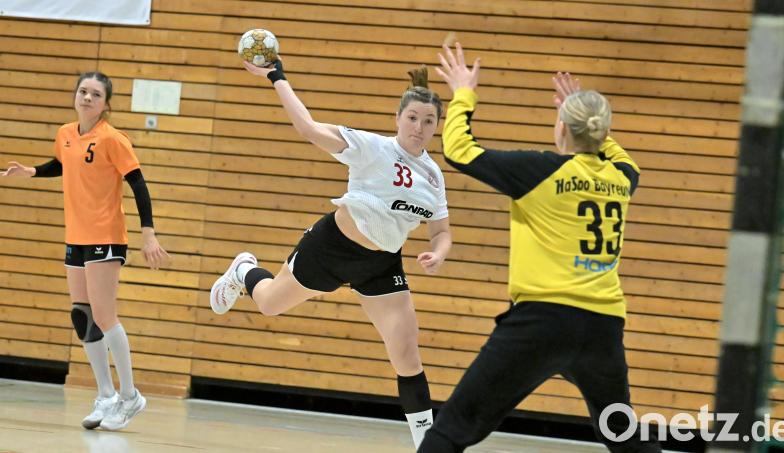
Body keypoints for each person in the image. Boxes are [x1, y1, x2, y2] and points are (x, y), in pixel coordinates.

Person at [417, 44, 663, 452]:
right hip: (602, 326)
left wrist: (464, 92)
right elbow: (618, 155)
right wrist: (585, 116)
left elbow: (459, 150)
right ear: (600, 133)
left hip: (542, 322)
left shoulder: (542, 172)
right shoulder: (622, 178)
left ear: (563, 129)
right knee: (623, 436)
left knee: (453, 428)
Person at [209, 56, 452, 448]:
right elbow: (307, 128)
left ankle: (429, 445)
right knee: (269, 303)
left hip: (381, 263)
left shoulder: (433, 175)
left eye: (428, 121)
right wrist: (277, 77)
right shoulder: (371, 147)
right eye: (412, 118)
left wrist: (438, 253)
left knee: (407, 353)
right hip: (331, 247)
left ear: (436, 126)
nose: (419, 128)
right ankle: (244, 271)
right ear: (398, 117)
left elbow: (441, 232)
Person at [2, 72, 169, 431]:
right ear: (75, 96)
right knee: (82, 315)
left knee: (106, 316)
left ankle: (130, 396)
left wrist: (149, 235)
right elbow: (64, 165)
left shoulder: (113, 139)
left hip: (106, 235)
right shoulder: (65, 134)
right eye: (83, 91)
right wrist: (31, 171)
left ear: (106, 104)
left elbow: (138, 184)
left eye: (95, 94)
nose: (88, 98)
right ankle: (106, 394)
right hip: (76, 235)